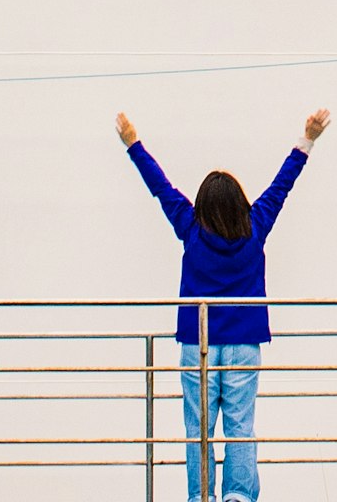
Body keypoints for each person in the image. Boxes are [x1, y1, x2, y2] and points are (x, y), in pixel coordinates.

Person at [124, 104, 326, 502]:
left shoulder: (191, 228)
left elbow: (159, 186)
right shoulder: (256, 226)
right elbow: (282, 184)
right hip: (244, 344)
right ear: (239, 203)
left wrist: (134, 144)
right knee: (240, 427)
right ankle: (237, 496)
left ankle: (201, 497)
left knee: (198, 429)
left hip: (197, 344)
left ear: (202, 205)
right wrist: (307, 139)